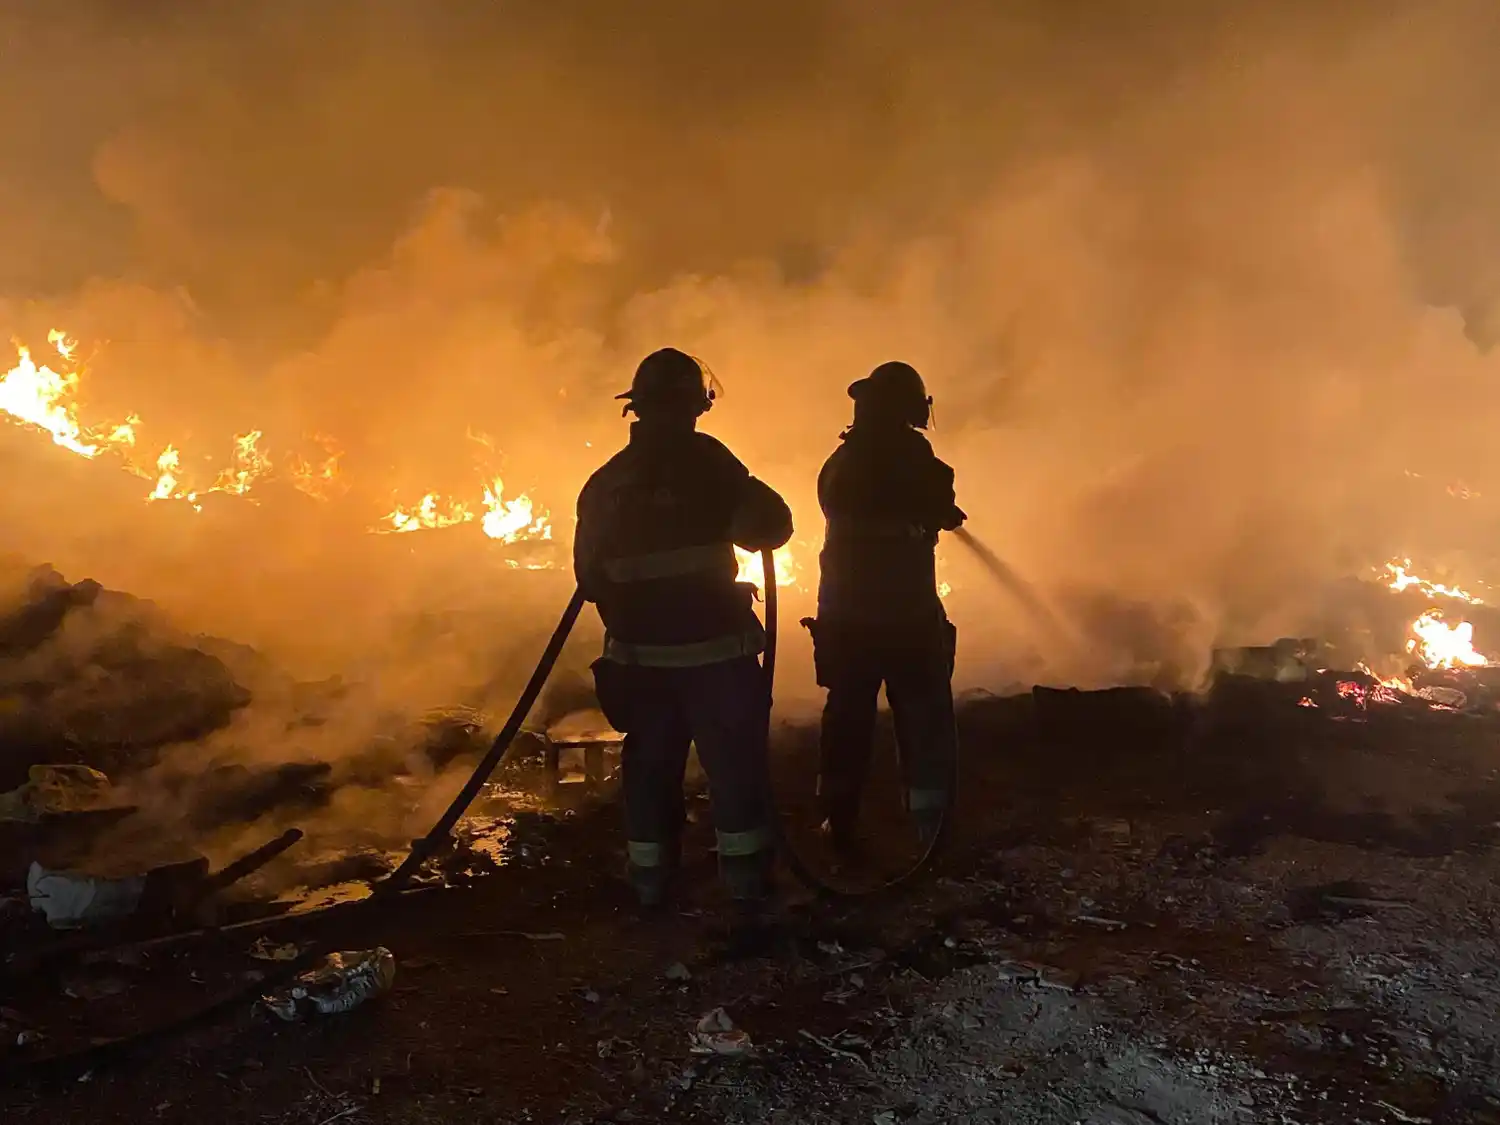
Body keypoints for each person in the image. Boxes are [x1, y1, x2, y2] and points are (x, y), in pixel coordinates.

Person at [574, 348, 793, 910]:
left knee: (648, 773)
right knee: (735, 773)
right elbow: (771, 525)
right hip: (716, 658)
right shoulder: (710, 463)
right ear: (696, 406)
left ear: (638, 408)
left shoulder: (605, 484)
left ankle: (651, 886)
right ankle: (746, 894)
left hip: (639, 665)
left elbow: (589, 577)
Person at [806, 361, 964, 860]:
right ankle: (928, 827)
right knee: (924, 717)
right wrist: (942, 513)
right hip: (906, 618)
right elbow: (937, 497)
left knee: (846, 720)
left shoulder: (839, 462)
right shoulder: (914, 455)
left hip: (846, 618)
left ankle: (839, 821)